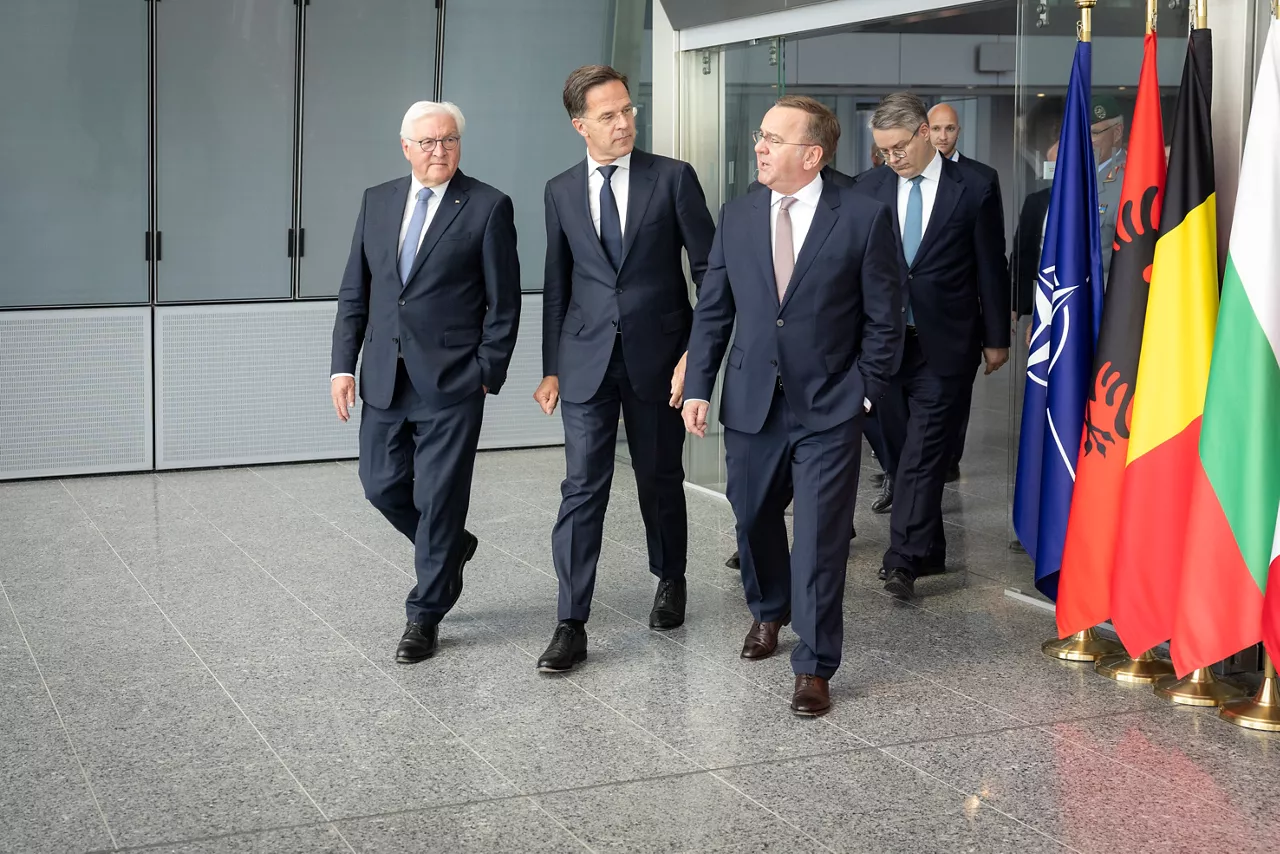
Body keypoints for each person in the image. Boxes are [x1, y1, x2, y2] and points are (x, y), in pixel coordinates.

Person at [683, 95, 901, 716]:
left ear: (812, 153)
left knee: (820, 539)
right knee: (752, 519)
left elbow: (884, 321)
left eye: (774, 139)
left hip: (830, 405)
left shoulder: (861, 216)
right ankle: (768, 610)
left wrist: (864, 390)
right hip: (752, 401)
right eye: (761, 136)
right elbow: (714, 310)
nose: (760, 146)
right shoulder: (738, 214)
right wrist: (699, 383)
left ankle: (814, 663)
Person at [533, 65, 716, 673]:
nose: (623, 123)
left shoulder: (673, 179)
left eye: (628, 111)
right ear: (579, 125)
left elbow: (709, 271)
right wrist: (552, 367)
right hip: (585, 359)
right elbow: (557, 284)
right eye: (609, 115)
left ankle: (670, 577)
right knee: (583, 486)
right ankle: (570, 620)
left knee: (658, 478)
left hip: (660, 358)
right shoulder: (559, 190)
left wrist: (697, 354)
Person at [330, 101, 521, 664]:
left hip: (453, 380)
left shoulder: (487, 206)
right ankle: (452, 548)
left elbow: (503, 302)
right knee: (380, 484)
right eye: (428, 143)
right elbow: (355, 291)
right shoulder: (378, 200)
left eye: (449, 141)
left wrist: (489, 368)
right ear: (406, 146)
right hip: (385, 376)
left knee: (439, 497)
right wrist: (344, 364)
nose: (440, 152)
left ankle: (425, 613)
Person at [851, 92, 1009, 596]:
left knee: (923, 454)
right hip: (884, 345)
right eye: (883, 150)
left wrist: (997, 338)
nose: (891, 158)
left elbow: (991, 264)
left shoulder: (976, 185)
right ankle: (931, 549)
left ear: (925, 132)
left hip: (947, 341)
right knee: (899, 454)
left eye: (898, 147)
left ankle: (903, 559)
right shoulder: (868, 187)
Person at [927, 102, 1006, 484]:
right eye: (937, 128)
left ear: (959, 131)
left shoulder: (980, 178)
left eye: (950, 129)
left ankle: (948, 459)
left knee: (956, 396)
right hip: (913, 315)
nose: (943, 136)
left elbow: (992, 261)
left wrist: (996, 335)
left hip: (960, 312)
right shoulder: (895, 177)